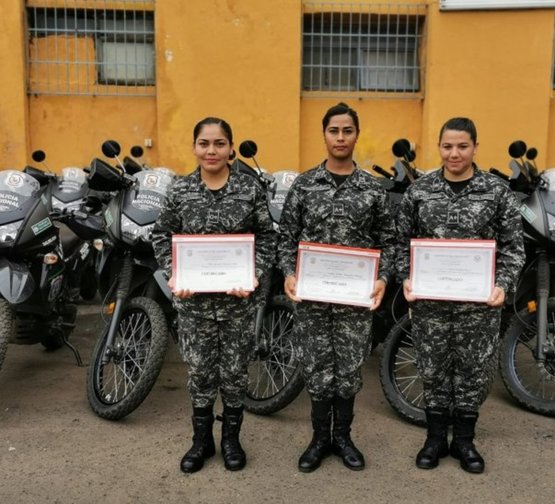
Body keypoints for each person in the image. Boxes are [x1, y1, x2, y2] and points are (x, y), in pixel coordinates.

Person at [396, 117, 525, 473]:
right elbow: (400, 242)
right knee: (433, 369)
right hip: (430, 305)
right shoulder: (419, 191)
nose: (455, 154)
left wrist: (503, 283)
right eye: (448, 146)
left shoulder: (496, 192)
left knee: (472, 371)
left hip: (478, 305)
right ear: (439, 147)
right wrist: (406, 277)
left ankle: (465, 441)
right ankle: (435, 439)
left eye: (462, 146)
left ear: (475, 148)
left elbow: (514, 246)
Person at [152, 117, 276, 473]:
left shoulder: (249, 190)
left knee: (235, 372)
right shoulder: (179, 191)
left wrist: (253, 275)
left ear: (231, 148)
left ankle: (231, 440)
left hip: (237, 301)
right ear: (194, 147)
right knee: (200, 371)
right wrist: (176, 274)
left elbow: (266, 236)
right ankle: (201, 441)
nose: (212, 150)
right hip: (194, 303)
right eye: (204, 143)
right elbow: (162, 235)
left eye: (219, 143)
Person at [278, 102, 397, 472]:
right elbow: (286, 238)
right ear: (324, 134)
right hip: (313, 298)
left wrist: (382, 278)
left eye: (347, 131)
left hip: (354, 300)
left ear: (356, 135)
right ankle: (318, 440)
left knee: (347, 370)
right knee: (316, 367)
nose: (341, 137)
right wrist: (288, 273)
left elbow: (389, 241)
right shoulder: (304, 185)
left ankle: (343, 438)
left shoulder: (373, 190)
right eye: (334, 131)